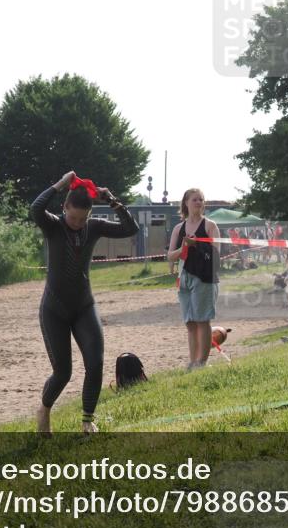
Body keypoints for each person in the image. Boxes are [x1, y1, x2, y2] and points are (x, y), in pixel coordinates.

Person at [31, 171, 140, 435]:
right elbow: (35, 209)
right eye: (73, 217)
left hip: (83, 306)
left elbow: (130, 229)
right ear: (64, 208)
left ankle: (87, 420)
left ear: (89, 215)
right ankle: (44, 410)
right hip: (54, 310)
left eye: (83, 218)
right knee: (63, 373)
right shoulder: (53, 225)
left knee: (95, 362)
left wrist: (112, 199)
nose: (77, 223)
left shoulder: (94, 227)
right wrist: (59, 184)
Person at [167, 188, 221, 370]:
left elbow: (216, 254)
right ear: (186, 203)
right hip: (184, 277)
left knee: (202, 319)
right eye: (195, 199)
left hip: (204, 277)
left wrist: (196, 243)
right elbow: (170, 256)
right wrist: (184, 247)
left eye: (201, 199)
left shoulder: (210, 226)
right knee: (190, 322)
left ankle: (202, 362)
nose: (198, 202)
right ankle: (193, 362)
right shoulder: (178, 228)